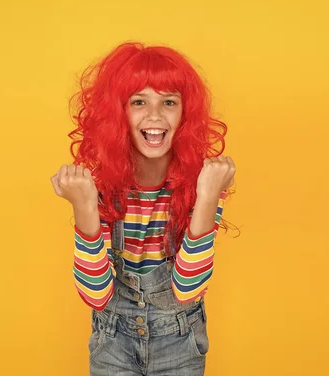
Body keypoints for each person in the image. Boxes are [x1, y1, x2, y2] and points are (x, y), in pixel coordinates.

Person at [51, 41, 236, 376]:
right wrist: (84, 209)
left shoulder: (203, 182)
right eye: (139, 101)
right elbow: (97, 296)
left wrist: (208, 198)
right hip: (112, 343)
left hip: (180, 342)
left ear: (185, 113)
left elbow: (187, 290)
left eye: (169, 102)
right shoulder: (100, 184)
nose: (154, 115)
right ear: (118, 112)